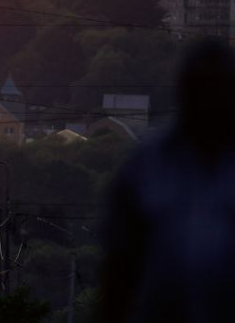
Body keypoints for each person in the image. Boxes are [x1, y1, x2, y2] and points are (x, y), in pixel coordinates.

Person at [98, 37, 235, 323]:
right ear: (184, 93)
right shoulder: (147, 165)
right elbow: (119, 267)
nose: (208, 103)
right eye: (200, 90)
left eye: (217, 90)